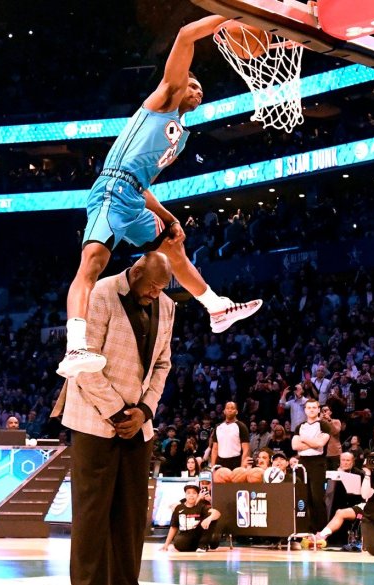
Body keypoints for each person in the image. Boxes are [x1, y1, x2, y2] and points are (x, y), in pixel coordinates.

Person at [58, 14, 262, 378]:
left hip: (134, 197)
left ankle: (216, 307)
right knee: (91, 263)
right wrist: (231, 14)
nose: (197, 92)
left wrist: (169, 218)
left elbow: (143, 182)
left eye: (201, 90)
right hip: (111, 191)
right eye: (193, 85)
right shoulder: (163, 99)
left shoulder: (179, 135)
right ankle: (75, 346)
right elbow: (185, 35)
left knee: (174, 248)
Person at [51, 252, 174, 585]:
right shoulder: (100, 293)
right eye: (151, 285)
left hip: (138, 425)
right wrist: (120, 413)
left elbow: (163, 365)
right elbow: (82, 364)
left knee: (132, 519)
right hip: (93, 421)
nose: (155, 293)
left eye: (162, 287)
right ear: (135, 272)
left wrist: (145, 412)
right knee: (92, 517)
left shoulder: (168, 306)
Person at [292, 398, 331, 534]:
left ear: (319, 409)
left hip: (318, 463)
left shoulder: (323, 425)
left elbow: (320, 444)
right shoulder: (300, 426)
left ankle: (320, 530)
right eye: (309, 408)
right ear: (305, 410)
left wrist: (303, 439)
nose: (312, 410)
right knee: (304, 497)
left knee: (317, 497)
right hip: (303, 463)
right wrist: (311, 442)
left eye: (314, 407)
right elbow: (294, 446)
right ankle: (305, 529)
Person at [161, 483, 221, 552]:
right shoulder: (179, 508)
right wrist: (166, 544)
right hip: (186, 536)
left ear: (198, 495)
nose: (191, 495)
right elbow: (174, 527)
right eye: (188, 493)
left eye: (194, 493)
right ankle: (198, 546)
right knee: (178, 542)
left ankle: (202, 546)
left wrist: (209, 518)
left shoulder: (202, 506)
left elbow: (217, 513)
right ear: (185, 495)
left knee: (212, 518)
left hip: (199, 536)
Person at [209, 401, 250, 470]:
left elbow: (246, 449)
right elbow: (215, 449)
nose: (230, 410)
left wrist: (242, 467)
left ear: (236, 411)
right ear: (224, 411)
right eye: (227, 408)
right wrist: (212, 467)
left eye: (232, 408)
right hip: (220, 462)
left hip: (236, 462)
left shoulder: (241, 426)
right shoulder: (218, 427)